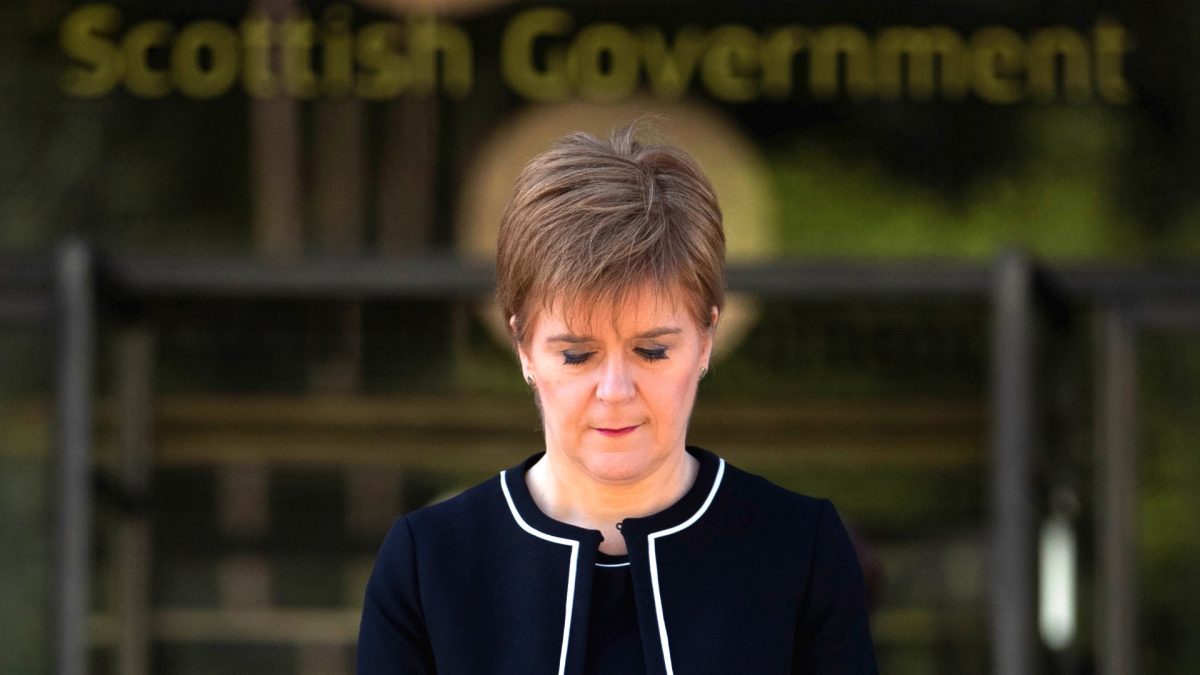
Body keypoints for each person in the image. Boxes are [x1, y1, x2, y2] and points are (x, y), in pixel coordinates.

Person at [357, 126, 878, 674]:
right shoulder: (427, 562)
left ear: (706, 339)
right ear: (523, 348)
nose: (614, 392)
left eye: (652, 351)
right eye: (576, 355)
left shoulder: (802, 549)